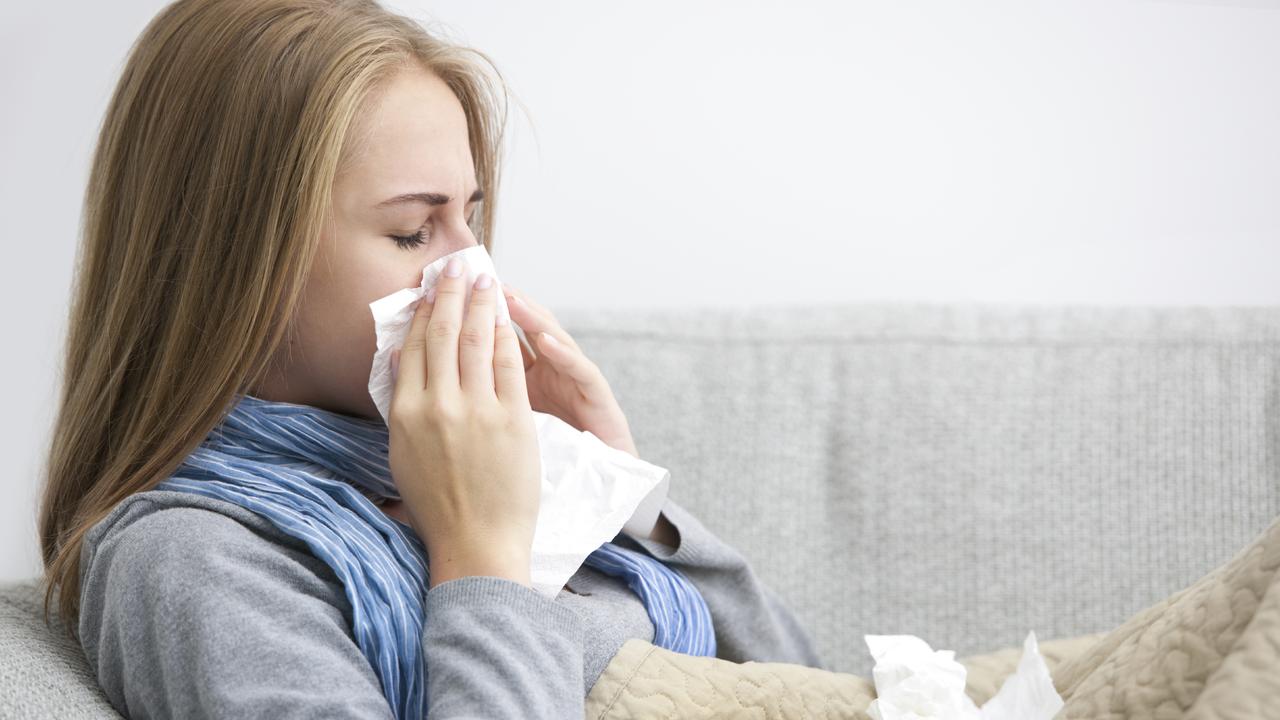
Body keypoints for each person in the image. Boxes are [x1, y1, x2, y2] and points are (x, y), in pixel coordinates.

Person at [36, 0, 822, 717]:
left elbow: (805, 689)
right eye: (414, 231)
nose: (471, 271)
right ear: (237, 262)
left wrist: (617, 492)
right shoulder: (194, 558)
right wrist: (480, 557)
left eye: (470, 222)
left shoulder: (475, 477)